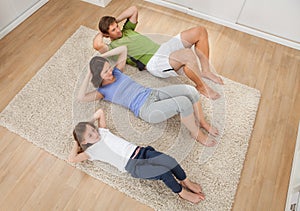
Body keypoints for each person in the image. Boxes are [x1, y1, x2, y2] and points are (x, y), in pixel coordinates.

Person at [78, 45, 218, 147]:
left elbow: (123, 49)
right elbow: (81, 97)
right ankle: (196, 133)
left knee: (191, 90)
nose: (110, 72)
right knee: (183, 103)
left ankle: (203, 122)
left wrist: (100, 58)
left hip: (151, 93)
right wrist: (88, 75)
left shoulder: (117, 72)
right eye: (105, 72)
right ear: (97, 76)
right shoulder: (103, 91)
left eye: (109, 68)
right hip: (145, 109)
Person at [69, 108, 206, 204]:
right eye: (90, 135)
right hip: (133, 166)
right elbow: (72, 159)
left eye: (93, 129)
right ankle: (181, 192)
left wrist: (86, 125)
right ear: (84, 141)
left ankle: (185, 181)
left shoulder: (103, 131)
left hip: (141, 151)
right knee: (164, 172)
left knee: (170, 161)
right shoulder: (91, 152)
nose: (95, 133)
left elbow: (100, 112)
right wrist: (77, 141)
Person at [93, 6, 224, 100]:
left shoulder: (126, 29)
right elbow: (97, 44)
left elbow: (133, 9)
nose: (118, 30)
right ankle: (201, 86)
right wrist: (102, 32)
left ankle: (206, 71)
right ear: (106, 34)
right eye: (113, 30)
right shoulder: (113, 47)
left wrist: (113, 21)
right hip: (154, 62)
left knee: (200, 31)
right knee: (187, 55)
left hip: (163, 48)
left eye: (117, 26)